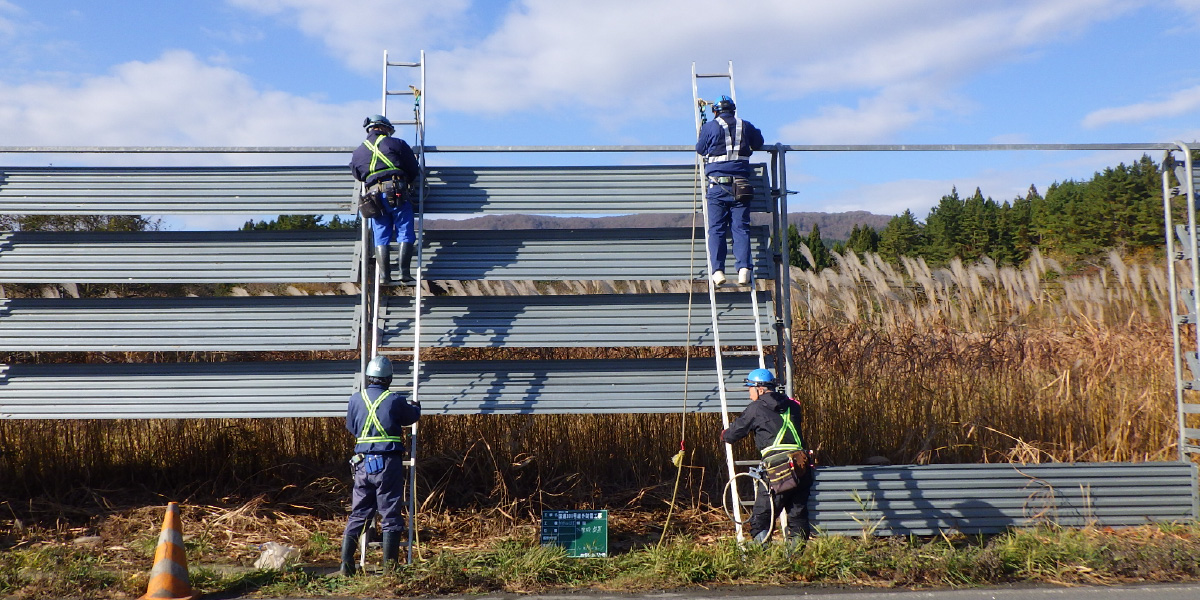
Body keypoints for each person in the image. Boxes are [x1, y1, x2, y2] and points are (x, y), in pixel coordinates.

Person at [339, 356, 421, 575]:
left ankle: (346, 566)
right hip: (387, 463)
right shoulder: (394, 400)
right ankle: (390, 569)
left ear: (369, 376)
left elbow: (351, 426)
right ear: (389, 378)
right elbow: (411, 416)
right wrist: (416, 406)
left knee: (358, 513)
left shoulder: (356, 399)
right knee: (390, 513)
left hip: (362, 464)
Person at [721, 368, 813, 544]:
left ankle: (764, 561)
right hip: (801, 466)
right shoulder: (793, 405)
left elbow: (733, 434)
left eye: (750, 389)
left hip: (778, 470)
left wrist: (724, 434)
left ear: (760, 389)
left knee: (761, 519)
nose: (749, 394)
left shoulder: (756, 407)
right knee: (798, 515)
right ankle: (795, 561)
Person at [695, 95, 764, 286]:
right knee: (740, 228)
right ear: (733, 110)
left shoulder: (710, 126)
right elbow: (758, 142)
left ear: (716, 111)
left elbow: (700, 149)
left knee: (716, 230)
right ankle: (744, 269)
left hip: (717, 186)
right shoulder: (746, 126)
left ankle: (717, 271)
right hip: (741, 185)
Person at [350, 114, 423, 286]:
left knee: (381, 234)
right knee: (405, 230)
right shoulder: (396, 143)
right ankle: (404, 273)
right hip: (396, 191)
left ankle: (384, 276)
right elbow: (413, 168)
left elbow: (358, 175)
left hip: (373, 198)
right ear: (384, 128)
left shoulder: (358, 151)